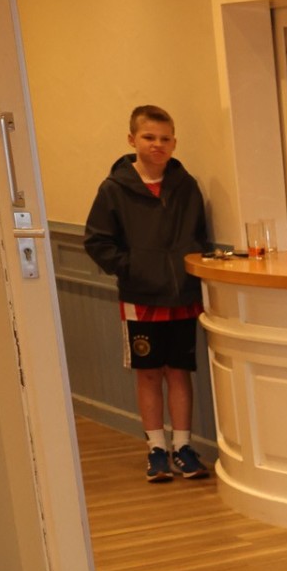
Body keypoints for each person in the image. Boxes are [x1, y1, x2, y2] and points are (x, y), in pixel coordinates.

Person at [84, 105, 213, 482]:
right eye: (149, 137)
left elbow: (199, 236)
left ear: (174, 142)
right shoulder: (113, 189)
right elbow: (97, 241)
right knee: (149, 374)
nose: (158, 144)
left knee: (179, 372)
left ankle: (183, 447)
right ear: (132, 140)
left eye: (165, 138)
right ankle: (156, 449)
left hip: (183, 296)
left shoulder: (186, 186)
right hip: (140, 299)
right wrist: (133, 268)